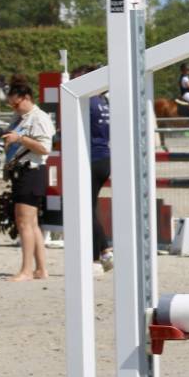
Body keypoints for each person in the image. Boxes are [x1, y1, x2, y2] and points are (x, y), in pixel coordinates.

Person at [1, 75, 55, 281]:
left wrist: (20, 138)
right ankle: (41, 269)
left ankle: (26, 270)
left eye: (15, 104)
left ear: (25, 98)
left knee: (24, 222)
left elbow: (44, 148)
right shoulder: (19, 119)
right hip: (22, 171)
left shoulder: (39, 117)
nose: (14, 109)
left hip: (32, 171)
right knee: (31, 223)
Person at [74, 65, 114, 274]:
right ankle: (101, 252)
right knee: (90, 206)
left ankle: (103, 252)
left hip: (92, 158)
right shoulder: (102, 101)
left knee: (86, 208)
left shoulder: (86, 101)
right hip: (104, 157)